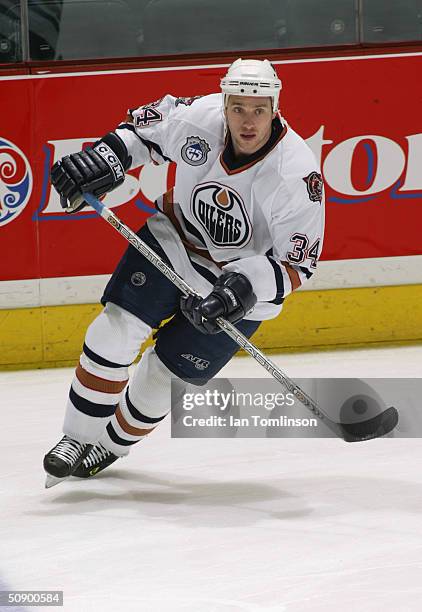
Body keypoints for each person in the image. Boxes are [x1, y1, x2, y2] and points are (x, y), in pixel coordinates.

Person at [43, 58, 325, 487]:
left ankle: (109, 446)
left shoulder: (296, 174)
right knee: (115, 331)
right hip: (175, 240)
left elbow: (296, 263)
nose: (247, 122)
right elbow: (140, 133)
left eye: (258, 110)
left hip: (239, 281)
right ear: (225, 103)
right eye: (238, 108)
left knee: (164, 376)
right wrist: (104, 158)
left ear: (275, 108)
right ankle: (76, 437)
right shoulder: (199, 116)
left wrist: (240, 292)